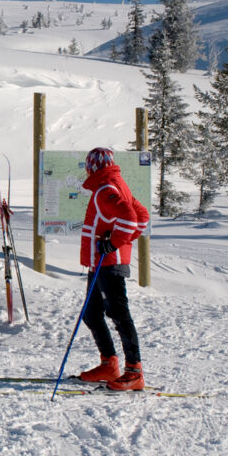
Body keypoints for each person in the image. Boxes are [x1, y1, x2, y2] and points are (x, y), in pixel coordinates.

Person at [76, 147, 150, 391]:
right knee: (91, 312)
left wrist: (115, 242)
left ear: (92, 167)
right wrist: (120, 238)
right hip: (100, 262)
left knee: (118, 314)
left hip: (109, 263)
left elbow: (131, 217)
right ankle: (109, 363)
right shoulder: (112, 184)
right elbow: (142, 216)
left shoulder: (105, 188)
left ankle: (134, 371)